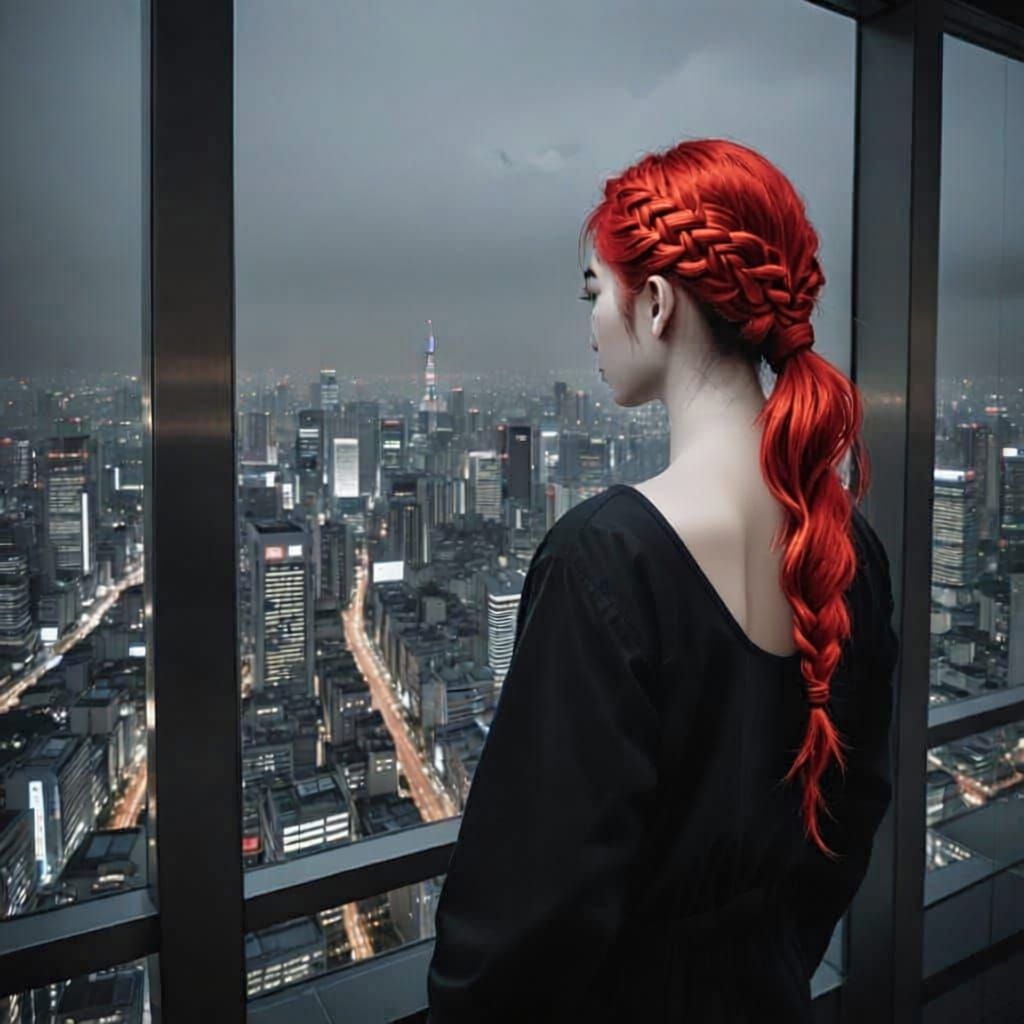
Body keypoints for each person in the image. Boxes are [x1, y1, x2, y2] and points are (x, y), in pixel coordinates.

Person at [424, 138, 899, 1022]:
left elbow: (527, 919)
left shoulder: (605, 560)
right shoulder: (849, 550)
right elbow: (851, 817)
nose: (591, 323)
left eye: (593, 292)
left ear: (655, 302)